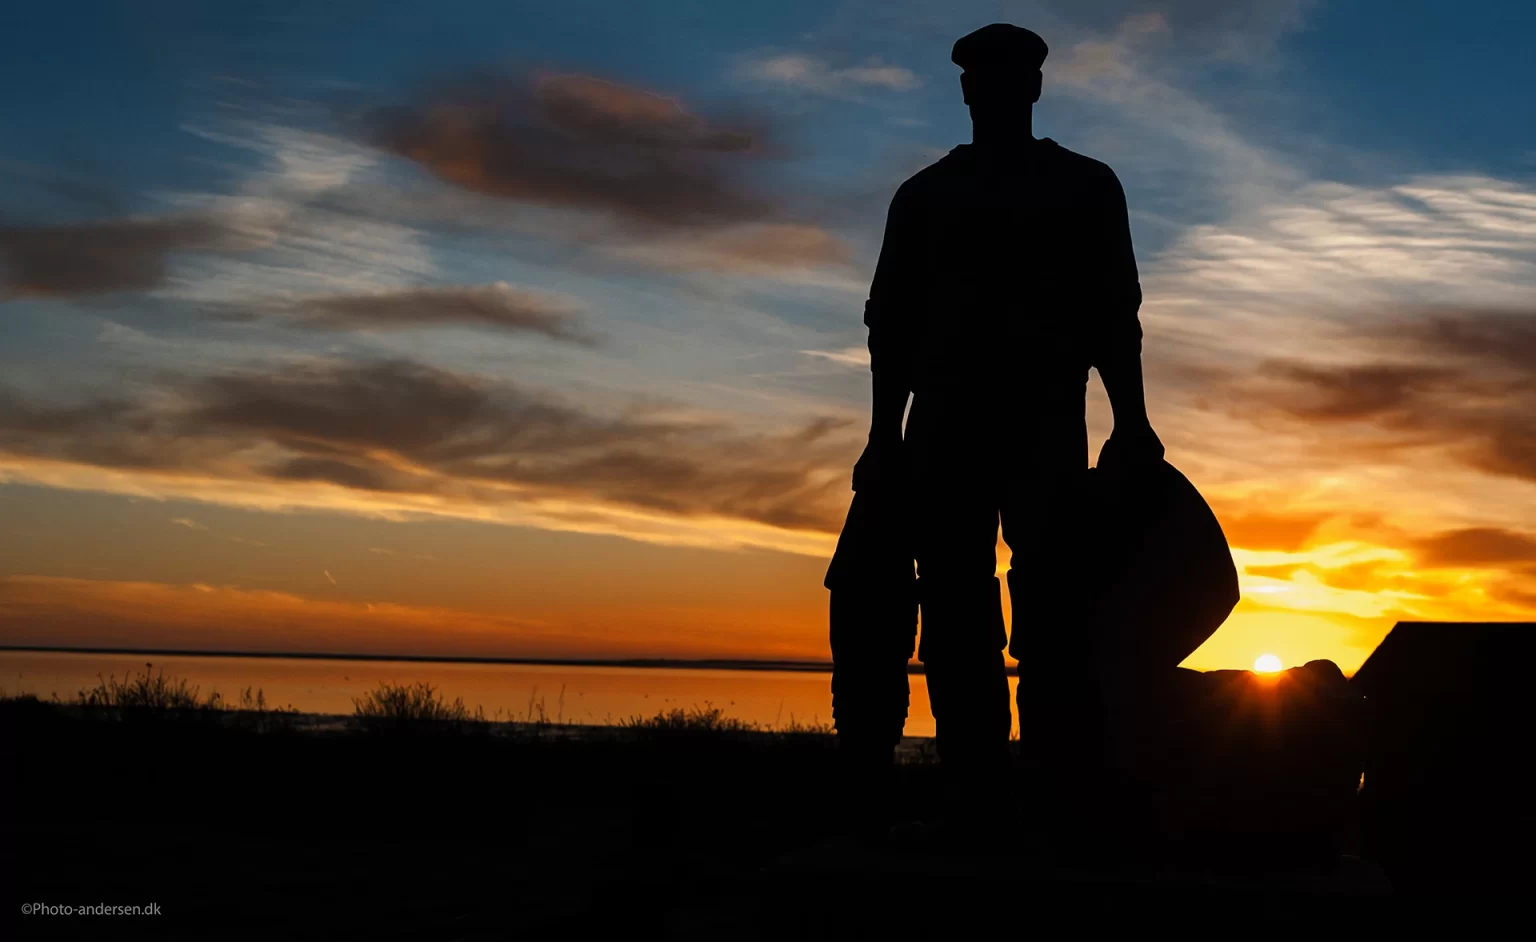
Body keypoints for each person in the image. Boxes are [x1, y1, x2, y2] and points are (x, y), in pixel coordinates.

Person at [853, 23, 1164, 840]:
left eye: (1007, 75)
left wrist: (1132, 421)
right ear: (966, 90)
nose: (992, 89)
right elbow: (890, 324)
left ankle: (1056, 784)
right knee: (956, 610)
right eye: (982, 76)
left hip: (1045, 423)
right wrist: (884, 439)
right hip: (947, 427)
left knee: (1055, 607)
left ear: (1032, 88)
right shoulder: (923, 197)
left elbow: (1114, 315)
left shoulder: (1087, 187)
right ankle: (976, 787)